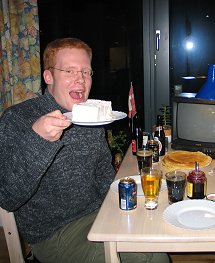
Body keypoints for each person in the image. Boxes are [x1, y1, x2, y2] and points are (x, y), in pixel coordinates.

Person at [0, 38, 169, 263]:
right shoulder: (18, 118)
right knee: (145, 257)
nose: (80, 79)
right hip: (54, 233)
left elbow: (102, 173)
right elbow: (7, 197)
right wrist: (38, 139)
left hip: (99, 213)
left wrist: (120, 207)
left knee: (154, 239)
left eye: (86, 72)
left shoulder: (90, 116)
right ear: (48, 76)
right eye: (69, 70)